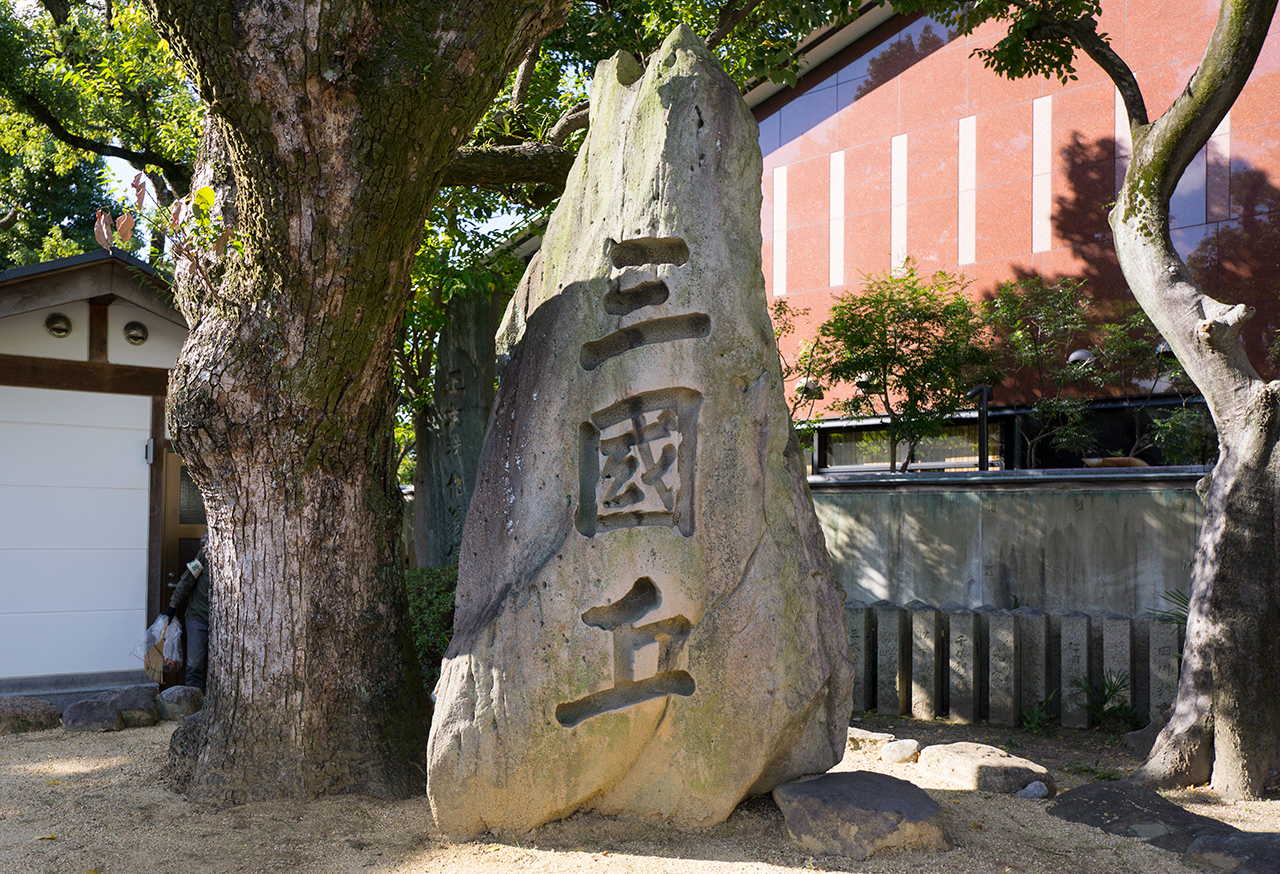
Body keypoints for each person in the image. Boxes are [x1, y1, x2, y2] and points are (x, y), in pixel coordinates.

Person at [162, 536, 211, 692]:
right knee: (194, 665)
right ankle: (193, 700)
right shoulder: (203, 555)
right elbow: (186, 579)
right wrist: (172, 606)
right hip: (198, 617)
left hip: (225, 622)